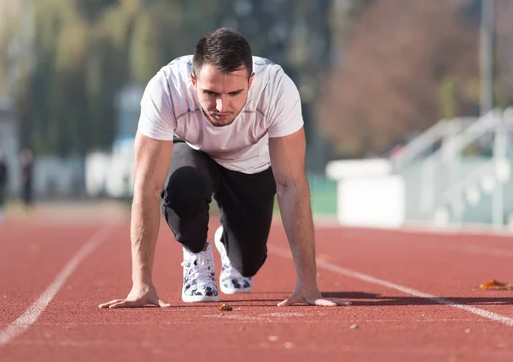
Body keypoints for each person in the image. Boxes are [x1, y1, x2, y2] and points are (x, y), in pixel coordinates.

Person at [99, 28, 349, 308]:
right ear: (192, 81)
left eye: (234, 93)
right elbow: (146, 186)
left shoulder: (278, 89)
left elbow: (291, 183)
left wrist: (308, 284)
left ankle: (229, 244)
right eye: (210, 92)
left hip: (252, 166)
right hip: (195, 154)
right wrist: (141, 284)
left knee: (249, 262)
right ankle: (196, 253)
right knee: (183, 184)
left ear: (251, 82)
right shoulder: (166, 88)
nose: (222, 105)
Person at [20, 148, 34, 214]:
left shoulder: (29, 164)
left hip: (29, 181)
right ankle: (25, 207)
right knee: (25, 194)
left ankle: (29, 207)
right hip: (25, 181)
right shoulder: (24, 164)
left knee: (29, 194)